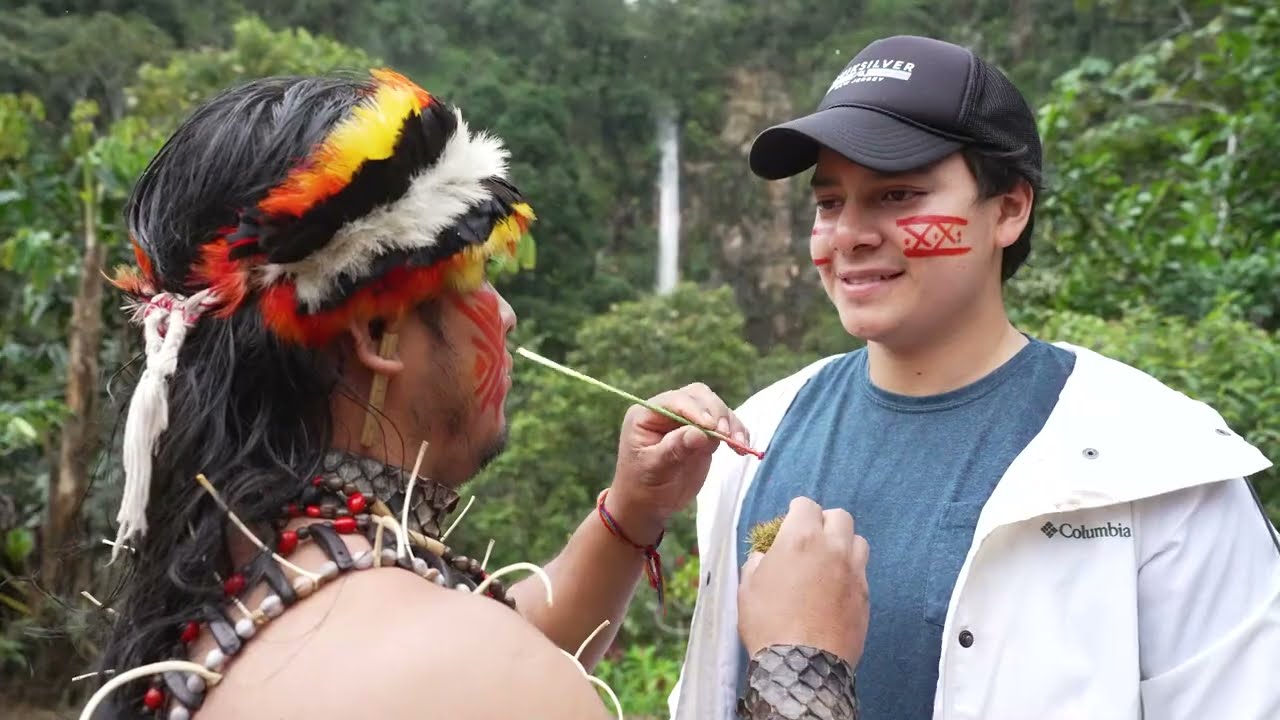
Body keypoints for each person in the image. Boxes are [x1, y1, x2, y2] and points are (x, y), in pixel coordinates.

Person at [82, 69, 869, 720]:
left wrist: (632, 516)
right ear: (380, 334)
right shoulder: (469, 674)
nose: (508, 314)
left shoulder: (244, 580)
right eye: (480, 280)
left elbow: (498, 642)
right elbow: (487, 670)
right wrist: (802, 664)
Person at [671, 34, 1280, 720]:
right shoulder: (754, 438)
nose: (850, 234)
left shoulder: (1160, 462)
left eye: (898, 194)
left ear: (1010, 209)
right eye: (830, 202)